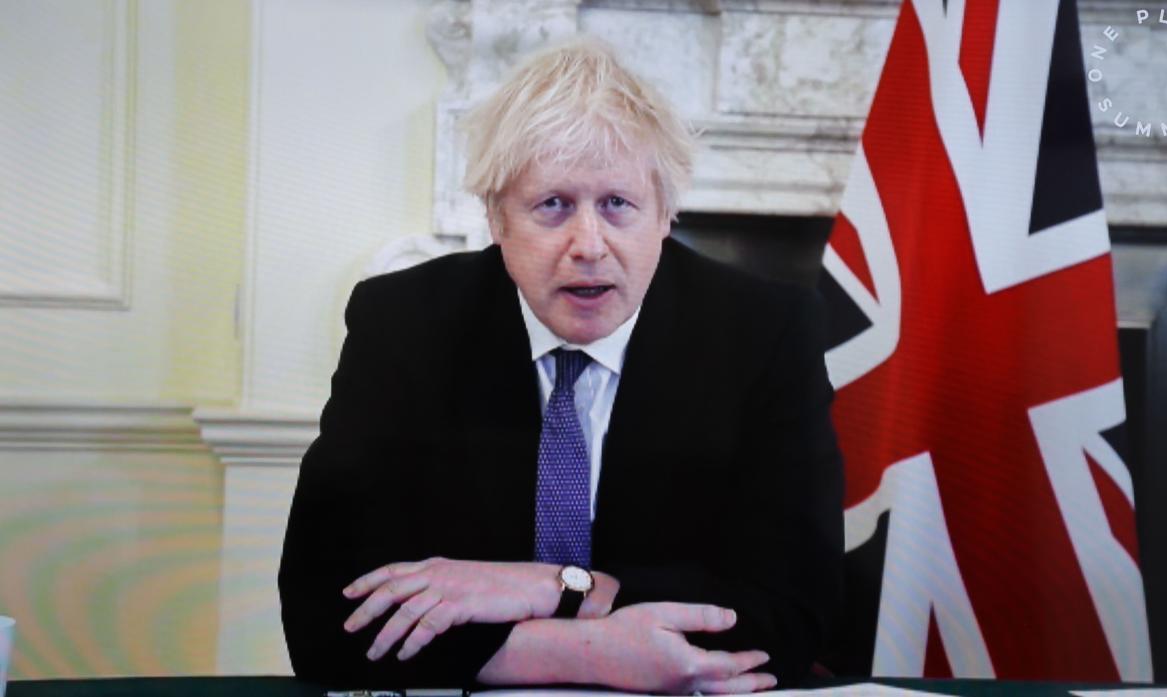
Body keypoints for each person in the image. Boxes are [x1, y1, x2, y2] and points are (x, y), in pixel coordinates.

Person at [278, 38, 844, 694]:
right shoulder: (405, 324)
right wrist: (584, 652)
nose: (589, 246)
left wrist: (546, 586)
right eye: (552, 205)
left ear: (665, 214)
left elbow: (797, 612)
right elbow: (328, 614)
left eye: (617, 205)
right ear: (495, 217)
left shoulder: (765, 332)